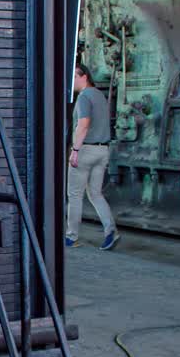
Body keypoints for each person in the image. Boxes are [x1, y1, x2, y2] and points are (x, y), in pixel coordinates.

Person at [66, 65, 119, 250]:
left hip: (86, 151)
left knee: (74, 195)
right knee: (95, 193)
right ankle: (110, 230)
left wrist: (75, 150)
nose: (71, 80)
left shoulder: (84, 97)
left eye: (74, 76)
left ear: (84, 77)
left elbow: (84, 124)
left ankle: (71, 236)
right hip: (102, 151)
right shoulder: (99, 95)